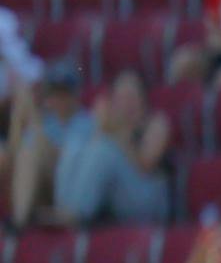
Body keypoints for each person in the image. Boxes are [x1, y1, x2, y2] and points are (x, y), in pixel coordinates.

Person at [52, 71, 172, 227]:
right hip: (116, 199)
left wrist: (117, 133)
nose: (128, 103)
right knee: (75, 145)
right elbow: (90, 158)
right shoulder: (110, 129)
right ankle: (63, 210)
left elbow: (146, 164)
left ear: (143, 99)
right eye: (122, 98)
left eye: (132, 96)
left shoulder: (156, 123)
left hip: (148, 200)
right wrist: (100, 127)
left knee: (105, 150)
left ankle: (75, 214)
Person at [7, 62, 93, 228]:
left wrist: (34, 120)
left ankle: (20, 220)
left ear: (75, 94)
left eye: (64, 92)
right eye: (55, 93)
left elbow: (71, 160)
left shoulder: (87, 123)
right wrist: (18, 118)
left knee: (36, 145)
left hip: (71, 192)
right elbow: (16, 159)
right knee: (28, 152)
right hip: (44, 189)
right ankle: (19, 220)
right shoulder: (48, 123)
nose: (59, 99)